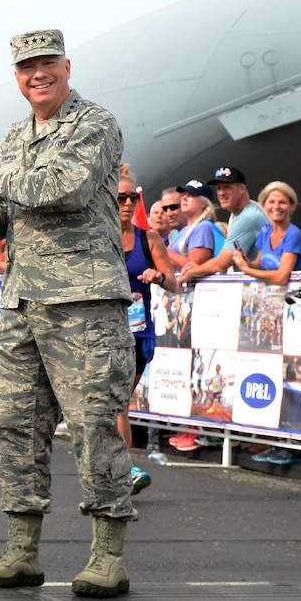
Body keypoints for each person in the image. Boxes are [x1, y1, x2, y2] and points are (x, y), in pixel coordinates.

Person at [0, 28, 136, 601]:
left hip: (84, 300)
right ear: (17, 77)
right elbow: (3, 224)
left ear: (66, 66)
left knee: (91, 428)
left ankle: (108, 555)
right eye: (26, 67)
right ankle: (22, 550)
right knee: (12, 424)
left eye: (47, 64)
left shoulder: (95, 123)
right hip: (23, 302)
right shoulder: (16, 134)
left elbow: (65, 188)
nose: (37, 74)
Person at [116, 169, 161, 493]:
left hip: (136, 334)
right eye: (122, 197)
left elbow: (172, 279)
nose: (129, 203)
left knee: (117, 402)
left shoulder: (148, 238)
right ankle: (115, 468)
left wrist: (158, 277)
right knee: (106, 404)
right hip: (99, 332)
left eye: (134, 197)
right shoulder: (95, 237)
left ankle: (125, 470)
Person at [228, 181, 301, 286]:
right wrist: (246, 262)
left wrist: (247, 270)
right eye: (271, 202)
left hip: (294, 297)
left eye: (282, 202)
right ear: (264, 205)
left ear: (292, 206)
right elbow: (259, 265)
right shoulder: (266, 231)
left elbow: (281, 277)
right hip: (271, 297)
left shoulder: (293, 234)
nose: (276, 206)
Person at [167, 181, 225, 288]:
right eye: (184, 194)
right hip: (178, 293)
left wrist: (163, 250)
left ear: (203, 203)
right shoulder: (184, 230)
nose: (184, 198)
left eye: (191, 195)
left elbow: (192, 268)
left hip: (192, 292)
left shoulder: (203, 227)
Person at [212, 166, 265, 259]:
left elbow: (221, 264)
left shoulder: (248, 217)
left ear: (241, 188)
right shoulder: (245, 212)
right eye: (218, 188)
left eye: (227, 187)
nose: (221, 193)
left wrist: (191, 271)